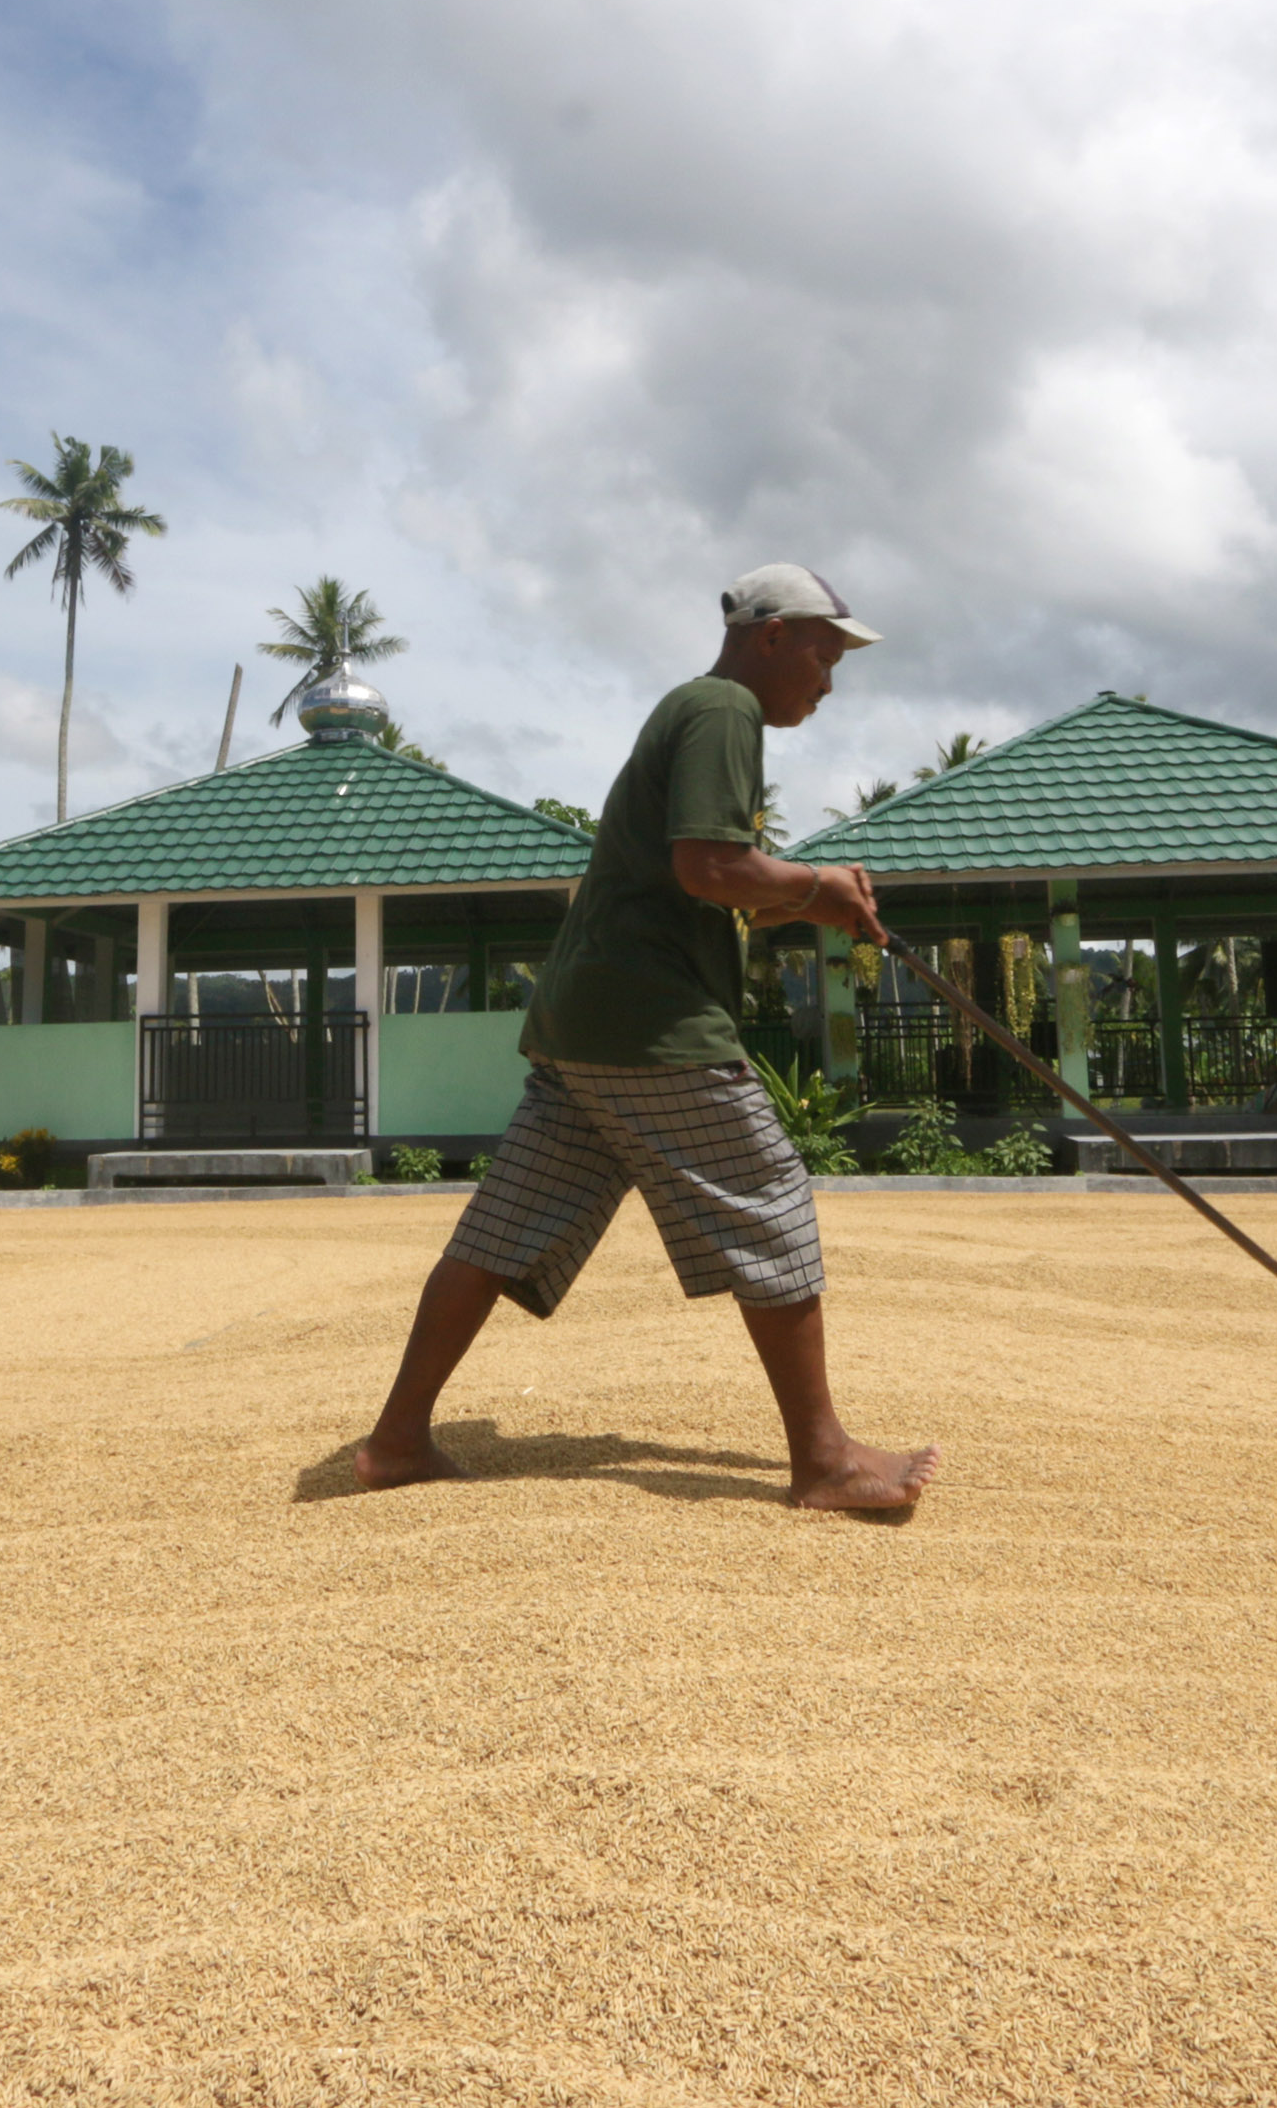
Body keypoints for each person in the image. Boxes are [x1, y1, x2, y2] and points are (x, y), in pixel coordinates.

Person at [350, 563, 940, 1511]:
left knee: (505, 1227)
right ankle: (824, 1462)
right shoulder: (723, 710)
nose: (829, 679)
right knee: (770, 1195)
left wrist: (812, 904)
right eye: (825, 653)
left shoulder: (701, 711)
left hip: (585, 1020)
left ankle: (394, 1440)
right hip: (650, 1023)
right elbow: (708, 864)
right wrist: (814, 885)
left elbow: (693, 885)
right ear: (773, 635)